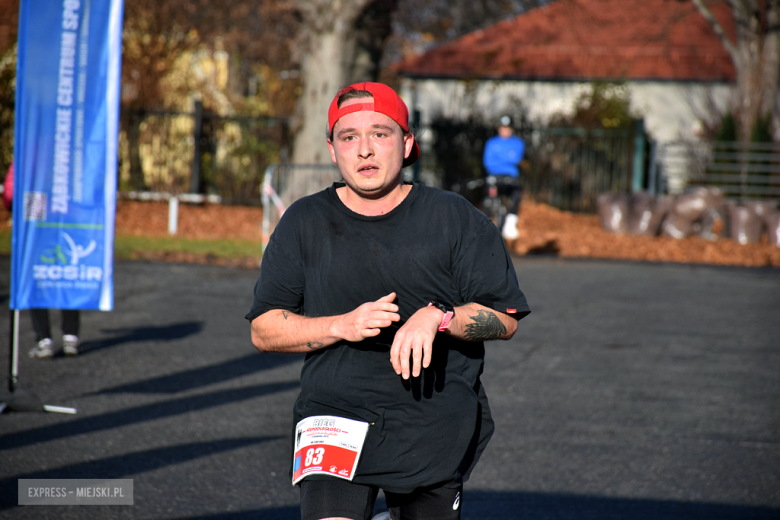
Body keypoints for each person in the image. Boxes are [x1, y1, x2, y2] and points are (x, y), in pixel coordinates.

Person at [246, 82, 530, 520]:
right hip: (334, 415)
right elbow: (264, 329)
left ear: (407, 143)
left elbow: (504, 318)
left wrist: (438, 316)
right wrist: (340, 325)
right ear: (332, 148)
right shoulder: (305, 220)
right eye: (349, 137)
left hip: (432, 421)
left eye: (380, 134)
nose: (364, 150)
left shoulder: (454, 218)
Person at [3, 163, 81, 359]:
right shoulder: (69, 147)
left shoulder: (28, 144)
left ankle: (44, 339)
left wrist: (11, 205)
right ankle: (70, 336)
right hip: (64, 208)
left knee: (36, 273)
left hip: (35, 201)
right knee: (66, 273)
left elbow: (11, 193)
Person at [482, 115, 525, 240]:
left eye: (507, 128)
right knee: (487, 198)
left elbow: (516, 158)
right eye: (502, 127)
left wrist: (499, 158)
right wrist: (507, 158)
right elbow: (488, 162)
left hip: (511, 176)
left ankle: (510, 222)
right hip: (494, 175)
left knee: (517, 194)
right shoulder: (491, 142)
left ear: (511, 129)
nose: (504, 130)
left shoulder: (518, 143)